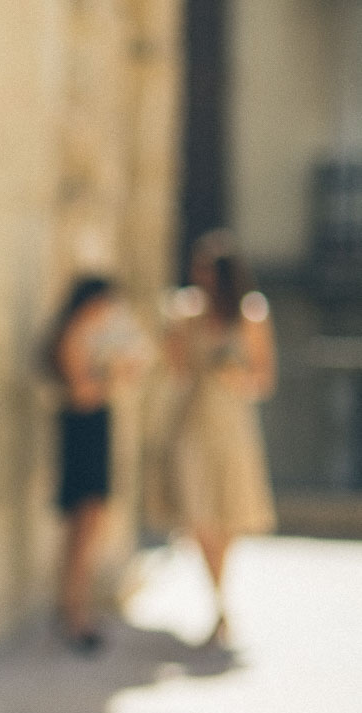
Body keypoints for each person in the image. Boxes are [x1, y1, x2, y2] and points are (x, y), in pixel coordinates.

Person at [163, 229, 277, 646]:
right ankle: (219, 601)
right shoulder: (187, 311)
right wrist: (173, 331)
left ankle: (219, 600)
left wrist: (235, 374)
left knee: (228, 513)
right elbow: (176, 371)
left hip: (231, 426)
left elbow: (263, 379)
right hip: (193, 423)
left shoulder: (251, 313)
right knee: (197, 514)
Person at [44, 275, 149, 654]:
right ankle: (74, 616)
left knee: (89, 529)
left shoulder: (88, 335)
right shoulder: (74, 335)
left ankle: (76, 610)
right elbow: (82, 392)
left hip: (93, 432)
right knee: (83, 529)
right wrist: (113, 372)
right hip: (83, 435)